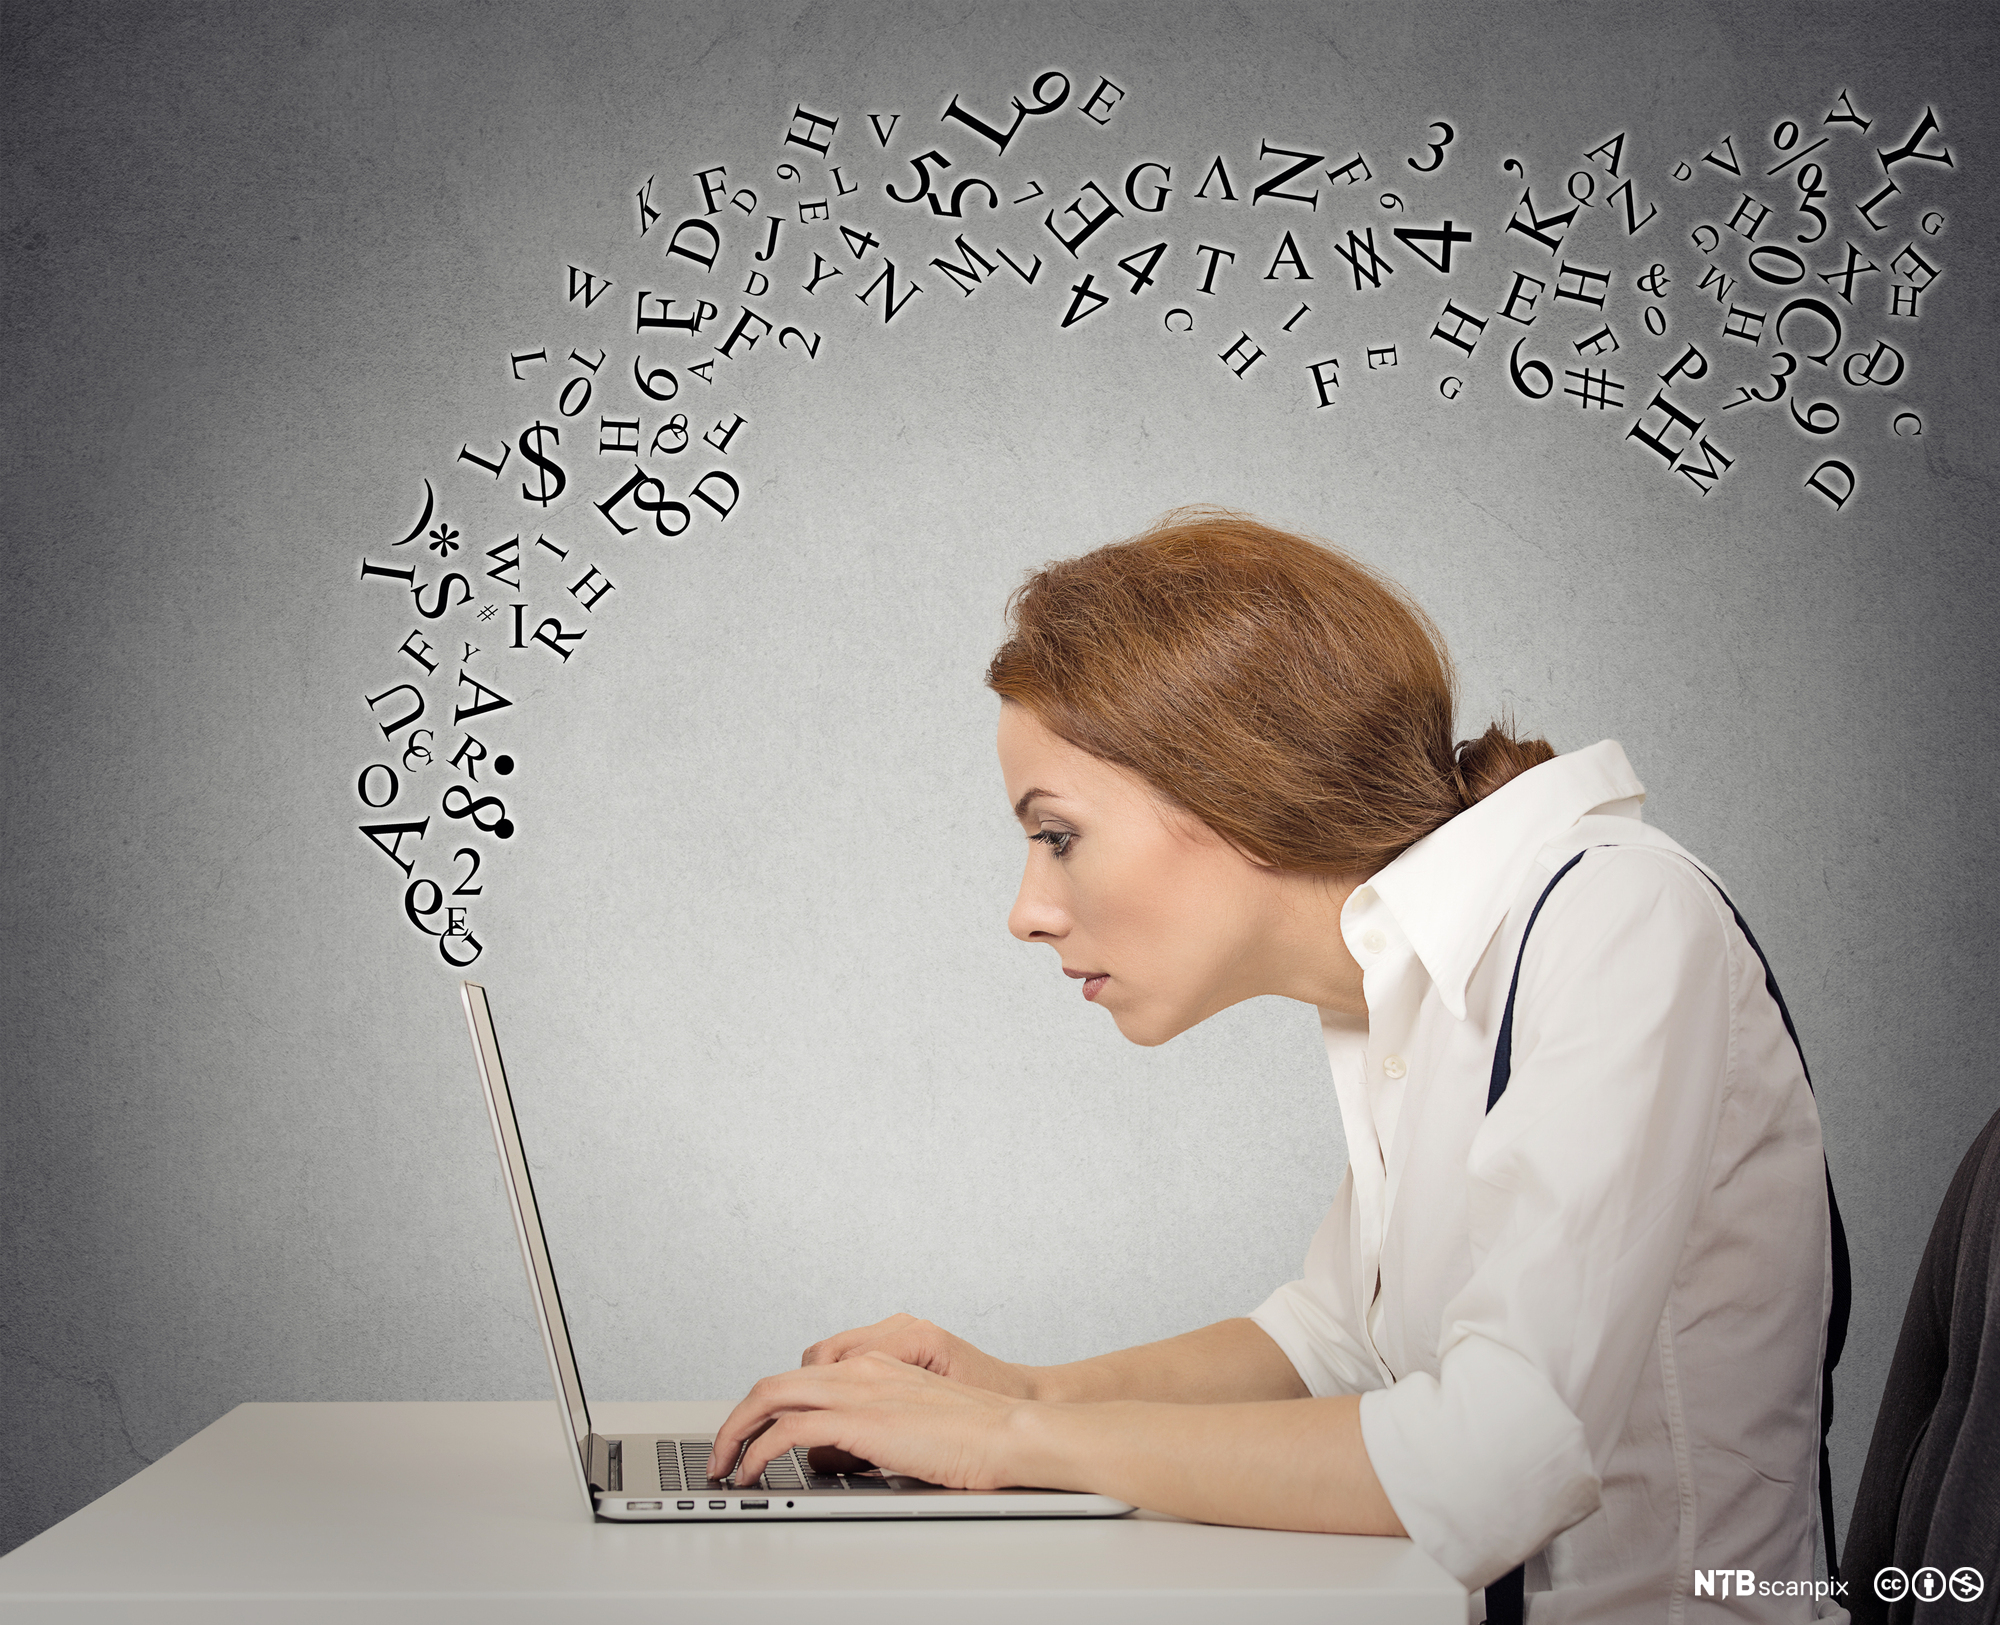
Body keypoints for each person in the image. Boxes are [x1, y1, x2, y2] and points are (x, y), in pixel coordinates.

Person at [710, 509, 1842, 1621]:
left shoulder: (1614, 918)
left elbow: (1491, 1455)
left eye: (1055, 833)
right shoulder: (1392, 986)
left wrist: (1007, 1443)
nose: (1026, 912)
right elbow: (1328, 1337)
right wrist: (1016, 1387)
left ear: (1229, 781)